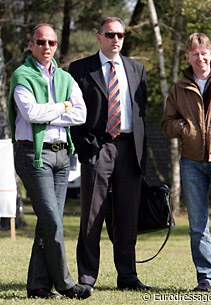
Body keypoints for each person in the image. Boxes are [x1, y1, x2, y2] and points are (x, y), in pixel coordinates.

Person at [8, 23, 92, 300]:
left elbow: (81, 115)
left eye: (52, 43)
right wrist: (64, 106)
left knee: (47, 222)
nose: (47, 47)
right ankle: (67, 284)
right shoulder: (22, 75)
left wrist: (52, 111)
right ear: (31, 45)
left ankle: (38, 286)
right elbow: (31, 113)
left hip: (61, 155)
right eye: (41, 42)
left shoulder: (66, 78)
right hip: (33, 155)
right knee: (54, 222)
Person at [68, 16, 150, 293]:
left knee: (127, 218)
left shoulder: (137, 69)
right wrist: (84, 149)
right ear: (99, 36)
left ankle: (127, 277)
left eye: (120, 35)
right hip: (98, 149)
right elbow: (74, 114)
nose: (116, 39)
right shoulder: (80, 69)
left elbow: (141, 114)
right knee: (92, 217)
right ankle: (87, 278)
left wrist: (142, 154)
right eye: (110, 34)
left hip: (129, 150)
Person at [162, 32, 211, 293]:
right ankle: (206, 279)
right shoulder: (179, 88)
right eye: (194, 53)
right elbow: (166, 124)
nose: (200, 57)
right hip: (191, 162)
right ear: (188, 57)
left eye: (203, 52)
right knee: (198, 224)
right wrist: (183, 128)